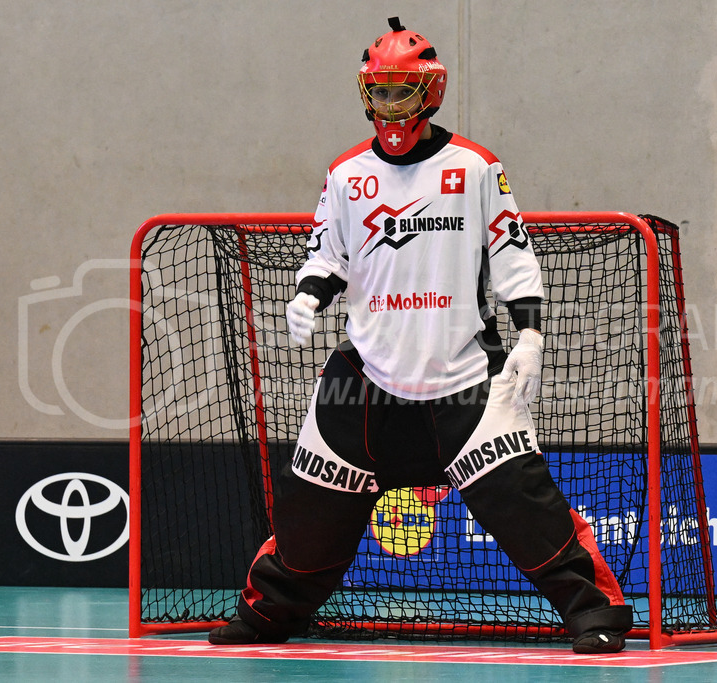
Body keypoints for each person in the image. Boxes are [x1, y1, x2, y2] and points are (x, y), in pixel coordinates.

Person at [208, 17, 633, 654]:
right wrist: (307, 292)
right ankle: (270, 616)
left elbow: (513, 255)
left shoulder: (477, 167)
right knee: (307, 522)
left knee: (526, 508)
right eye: (377, 92)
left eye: (401, 92)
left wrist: (531, 334)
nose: (388, 106)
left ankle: (593, 614)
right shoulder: (347, 174)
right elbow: (329, 253)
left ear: (429, 93)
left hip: (463, 379)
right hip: (363, 383)